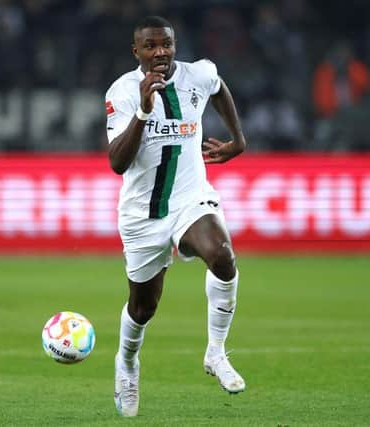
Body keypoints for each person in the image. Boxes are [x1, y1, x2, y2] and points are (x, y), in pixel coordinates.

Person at [104, 16, 247, 417]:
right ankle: (127, 363)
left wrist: (238, 138)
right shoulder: (123, 92)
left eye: (166, 44)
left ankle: (216, 353)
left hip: (190, 199)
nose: (160, 52)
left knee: (222, 255)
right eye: (150, 46)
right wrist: (145, 112)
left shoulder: (197, 75)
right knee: (142, 307)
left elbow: (219, 89)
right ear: (137, 51)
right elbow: (117, 163)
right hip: (142, 215)